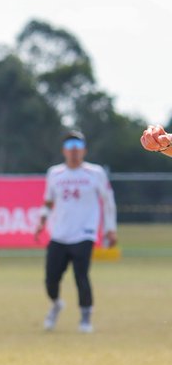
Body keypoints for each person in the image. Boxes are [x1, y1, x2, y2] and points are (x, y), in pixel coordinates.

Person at [33, 129, 117, 334]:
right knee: (50, 278)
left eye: (78, 148)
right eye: (70, 147)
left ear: (84, 151)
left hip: (84, 233)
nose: (74, 152)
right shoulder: (55, 173)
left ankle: (85, 316)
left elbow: (108, 202)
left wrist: (110, 229)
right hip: (60, 233)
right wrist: (42, 221)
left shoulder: (95, 173)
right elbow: (48, 200)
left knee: (81, 276)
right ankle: (56, 304)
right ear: (64, 151)